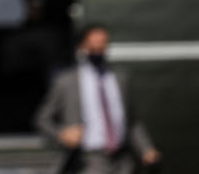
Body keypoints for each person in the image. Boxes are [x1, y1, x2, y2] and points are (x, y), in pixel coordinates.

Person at [34, 24, 161, 174]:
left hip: (122, 160)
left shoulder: (120, 78)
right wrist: (62, 134)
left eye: (102, 43)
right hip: (88, 161)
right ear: (82, 46)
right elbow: (42, 118)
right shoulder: (67, 81)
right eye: (93, 43)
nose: (98, 48)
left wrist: (145, 148)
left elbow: (131, 120)